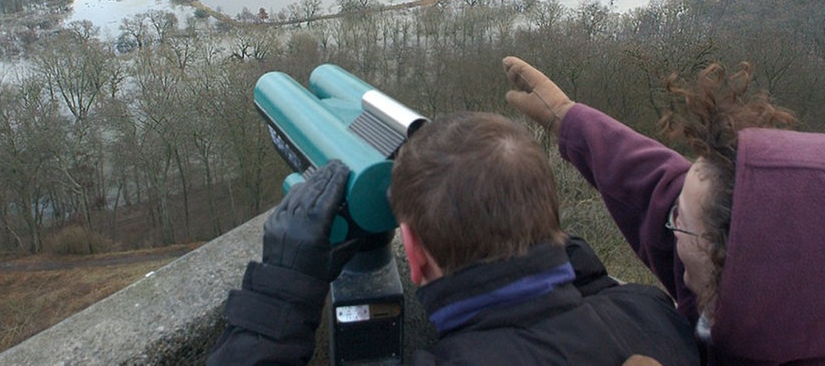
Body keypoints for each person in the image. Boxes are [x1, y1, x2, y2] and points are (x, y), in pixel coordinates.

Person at [207, 112, 699, 365]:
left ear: (415, 258)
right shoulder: (659, 320)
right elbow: (588, 299)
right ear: (551, 223)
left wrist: (280, 288)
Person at [503, 55, 825, 365]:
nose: (666, 219)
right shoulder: (756, 296)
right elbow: (653, 188)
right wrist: (569, 120)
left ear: (734, 266)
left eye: (679, 221)